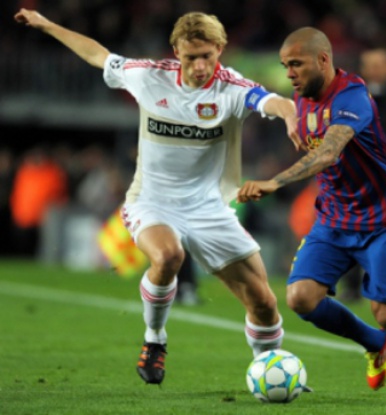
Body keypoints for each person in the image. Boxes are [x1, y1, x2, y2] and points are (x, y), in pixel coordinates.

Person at [15, 9, 305, 386]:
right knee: (169, 255)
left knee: (263, 302)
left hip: (208, 208)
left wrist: (290, 114)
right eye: (191, 57)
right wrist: (46, 24)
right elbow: (97, 54)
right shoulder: (148, 76)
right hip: (152, 201)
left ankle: (269, 370)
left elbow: (273, 101)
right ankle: (155, 339)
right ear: (176, 51)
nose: (200, 66)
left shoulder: (231, 88)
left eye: (207, 56)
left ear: (220, 49)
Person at [238, 27, 386, 403]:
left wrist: (275, 181)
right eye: (285, 65)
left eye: (296, 64)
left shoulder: (352, 95)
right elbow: (300, 125)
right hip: (334, 220)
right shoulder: (303, 96)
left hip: (382, 220)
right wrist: (287, 120)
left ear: (323, 59)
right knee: (300, 298)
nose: (289, 73)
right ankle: (375, 344)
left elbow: (328, 152)